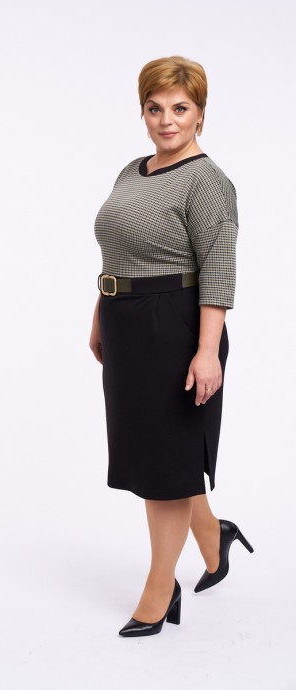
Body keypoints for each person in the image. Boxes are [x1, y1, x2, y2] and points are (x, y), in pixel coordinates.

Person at [89, 55, 254, 637]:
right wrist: (100, 314)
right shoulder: (131, 171)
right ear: (143, 112)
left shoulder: (208, 181)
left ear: (200, 114)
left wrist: (207, 351)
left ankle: (161, 589)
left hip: (175, 325)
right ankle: (213, 533)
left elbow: (219, 270)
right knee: (156, 454)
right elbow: (116, 251)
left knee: (163, 465)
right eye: (155, 108)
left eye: (180, 109)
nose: (167, 120)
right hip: (126, 322)